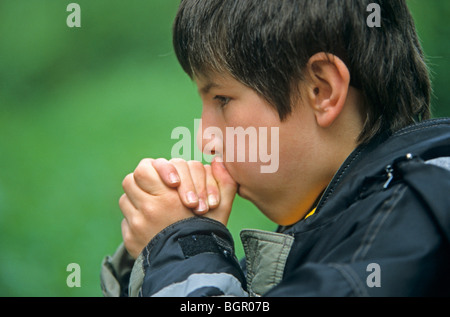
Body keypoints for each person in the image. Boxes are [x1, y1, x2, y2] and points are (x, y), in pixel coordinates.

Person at [101, 0, 450, 297]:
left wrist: (181, 249)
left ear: (321, 90)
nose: (205, 138)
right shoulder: (344, 220)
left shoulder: (414, 224)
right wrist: (155, 253)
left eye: (222, 98)